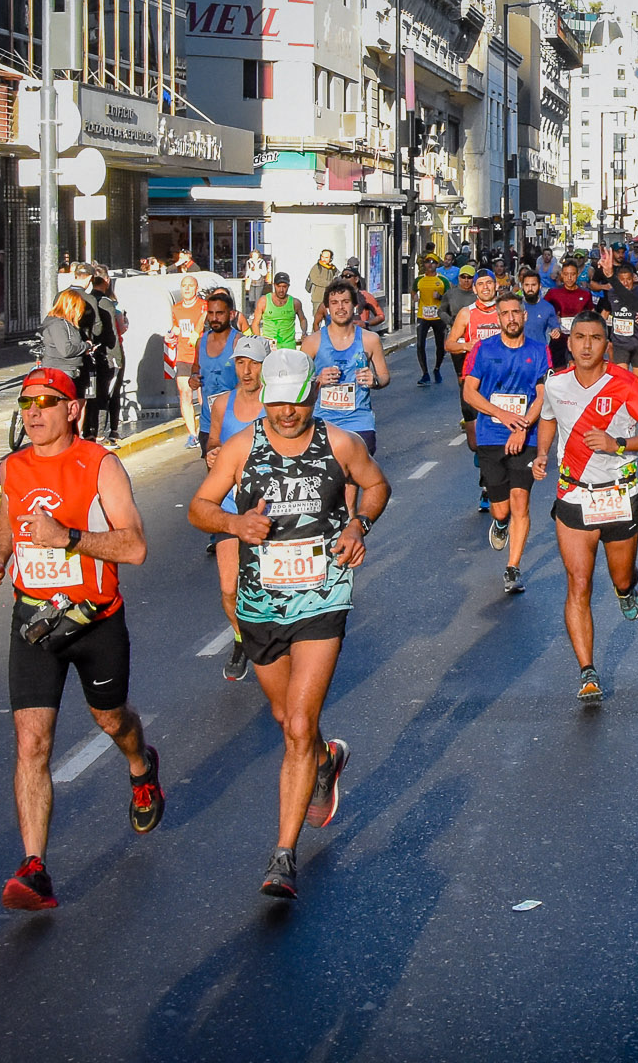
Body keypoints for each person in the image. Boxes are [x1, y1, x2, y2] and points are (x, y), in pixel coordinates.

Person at [190, 348, 390, 900]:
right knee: (286, 718)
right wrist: (233, 521)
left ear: (310, 397)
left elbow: (377, 486)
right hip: (261, 605)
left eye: (295, 403)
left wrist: (357, 525)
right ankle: (327, 760)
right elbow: (198, 507)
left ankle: (283, 855)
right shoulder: (243, 447)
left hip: (322, 598)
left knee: (299, 724)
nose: (285, 414)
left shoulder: (338, 443)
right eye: (276, 403)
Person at [0, 366, 164, 912]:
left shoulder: (100, 466)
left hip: (94, 620)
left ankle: (140, 764)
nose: (33, 413)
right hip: (34, 621)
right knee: (32, 743)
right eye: (26, 403)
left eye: (46, 402)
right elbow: (9, 515)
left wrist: (70, 539)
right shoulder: (14, 466)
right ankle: (35, 867)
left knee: (111, 719)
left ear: (73, 409)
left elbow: (135, 548)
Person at [534, 311, 638, 701]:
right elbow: (546, 418)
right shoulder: (555, 384)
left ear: (606, 344)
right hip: (574, 493)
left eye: (595, 338)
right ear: (569, 342)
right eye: (580, 337)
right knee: (579, 583)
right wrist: (543, 453)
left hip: (620, 493)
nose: (587, 345)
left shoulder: (625, 384)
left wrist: (617, 445)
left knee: (621, 578)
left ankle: (626, 592)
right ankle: (587, 672)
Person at [462, 294, 550, 596]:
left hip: (526, 437)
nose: (511, 318)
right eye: (505, 313)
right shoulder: (483, 350)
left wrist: (522, 426)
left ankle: (513, 568)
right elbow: (469, 393)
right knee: (501, 511)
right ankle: (501, 524)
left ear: (524, 316)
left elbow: (543, 394)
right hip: (491, 436)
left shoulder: (540, 351)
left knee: (520, 501)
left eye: (516, 312)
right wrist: (502, 415)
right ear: (498, 319)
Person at [204, 334, 272, 682]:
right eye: (241, 364)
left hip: (271, 508)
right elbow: (213, 439)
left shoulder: (277, 403)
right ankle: (240, 637)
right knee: (229, 588)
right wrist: (212, 452)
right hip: (230, 506)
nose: (247, 371)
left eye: (253, 364)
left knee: (271, 584)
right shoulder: (222, 404)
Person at [446, 271, 508, 508]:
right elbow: (449, 343)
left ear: (495, 286)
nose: (484, 287)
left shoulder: (503, 311)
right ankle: (483, 461)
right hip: (473, 383)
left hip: (501, 384)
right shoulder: (467, 313)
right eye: (480, 284)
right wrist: (467, 345)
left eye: (488, 283)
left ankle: (488, 485)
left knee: (495, 437)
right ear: (474, 289)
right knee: (475, 441)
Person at [310, 280, 388, 465]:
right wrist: (318, 379)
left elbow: (385, 376)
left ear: (355, 305)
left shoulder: (370, 340)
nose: (340, 307)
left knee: (352, 478)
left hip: (359, 421)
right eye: (335, 302)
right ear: (327, 307)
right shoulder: (312, 342)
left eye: (345, 301)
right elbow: (300, 385)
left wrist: (374, 380)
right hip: (324, 421)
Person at [191, 288, 240, 461]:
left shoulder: (238, 343)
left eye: (219, 313)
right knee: (213, 477)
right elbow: (195, 368)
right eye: (211, 313)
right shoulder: (201, 342)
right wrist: (193, 379)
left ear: (231, 314)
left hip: (235, 421)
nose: (214, 318)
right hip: (208, 423)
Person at [81, 268, 127, 442]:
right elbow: (115, 331)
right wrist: (118, 358)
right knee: (109, 394)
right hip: (108, 352)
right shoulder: (107, 303)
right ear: (106, 280)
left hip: (91, 350)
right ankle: (107, 431)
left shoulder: (86, 300)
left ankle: (89, 430)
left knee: (92, 393)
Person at [167, 273, 207, 437]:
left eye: (191, 286)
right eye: (184, 286)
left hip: (202, 356)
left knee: (204, 395)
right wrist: (170, 334)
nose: (187, 289)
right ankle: (192, 434)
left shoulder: (204, 306)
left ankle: (207, 428)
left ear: (196, 289)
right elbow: (177, 327)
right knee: (184, 393)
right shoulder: (176, 308)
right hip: (183, 356)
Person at [598, 260, 638, 372]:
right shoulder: (611, 293)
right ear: (617, 281)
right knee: (622, 377)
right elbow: (604, 315)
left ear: (633, 278)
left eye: (628, 279)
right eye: (622, 280)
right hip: (619, 344)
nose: (626, 283)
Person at [543, 259, 597, 373]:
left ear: (577, 275)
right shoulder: (553, 293)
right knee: (558, 372)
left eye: (572, 274)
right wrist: (552, 320)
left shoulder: (585, 293)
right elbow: (543, 310)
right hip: (559, 338)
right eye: (566, 274)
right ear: (562, 275)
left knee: (576, 369)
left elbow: (592, 315)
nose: (569, 278)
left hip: (578, 339)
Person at [38, 287, 91, 384]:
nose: (80, 313)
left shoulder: (67, 324)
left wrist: (84, 349)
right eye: (80, 309)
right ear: (72, 307)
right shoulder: (58, 325)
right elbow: (66, 350)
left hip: (68, 369)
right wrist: (86, 345)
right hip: (61, 371)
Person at [413, 257, 452, 384]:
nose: (430, 265)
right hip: (423, 316)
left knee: (440, 346)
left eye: (433, 262)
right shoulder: (419, 279)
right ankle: (425, 373)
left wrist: (440, 297)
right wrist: (414, 297)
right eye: (427, 262)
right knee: (420, 345)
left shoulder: (442, 280)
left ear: (437, 265)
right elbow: (413, 291)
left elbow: (449, 297)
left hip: (438, 316)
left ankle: (437, 368)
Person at [253, 270, 304, 352]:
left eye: (284, 287)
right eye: (278, 286)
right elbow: (255, 323)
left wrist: (304, 332)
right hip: (269, 346)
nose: (281, 290)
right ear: (274, 285)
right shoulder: (264, 301)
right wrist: (259, 342)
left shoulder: (295, 303)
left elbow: (303, 319)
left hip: (288, 346)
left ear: (288, 286)